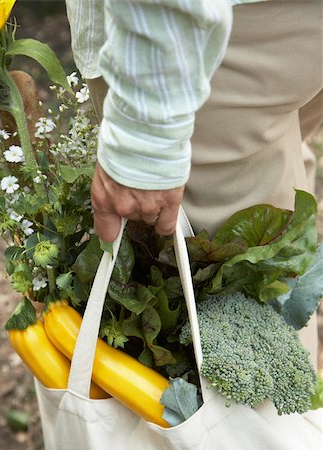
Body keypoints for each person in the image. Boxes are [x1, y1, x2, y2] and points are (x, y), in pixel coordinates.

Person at [65, 0, 323, 368]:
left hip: (211, 36)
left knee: (245, 346)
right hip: (300, 25)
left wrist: (145, 130)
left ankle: (271, 424)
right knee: (281, 172)